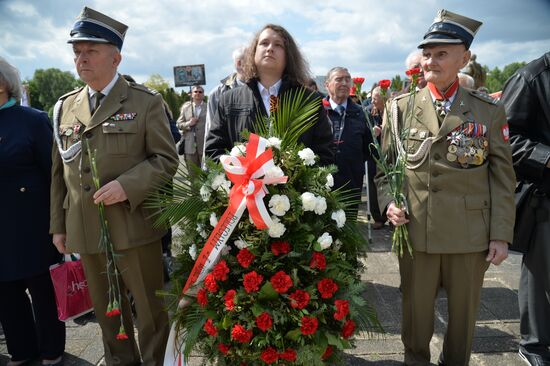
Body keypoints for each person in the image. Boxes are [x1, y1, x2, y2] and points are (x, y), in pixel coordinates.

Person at [377, 10, 516, 366]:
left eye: (441, 53)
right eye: (427, 53)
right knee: (415, 317)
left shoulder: (487, 111)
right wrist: (389, 202)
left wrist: (501, 235)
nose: (430, 60)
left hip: (469, 235)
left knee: (463, 321)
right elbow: (384, 169)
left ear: (464, 58)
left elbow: (503, 178)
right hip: (416, 231)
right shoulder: (400, 108)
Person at [50, 7, 178, 365]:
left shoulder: (145, 102)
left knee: (151, 314)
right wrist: (58, 227)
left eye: (90, 50)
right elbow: (58, 173)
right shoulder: (65, 108)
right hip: (87, 232)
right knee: (109, 315)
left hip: (134, 226)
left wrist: (127, 184)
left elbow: (166, 160)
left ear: (116, 57)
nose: (81, 58)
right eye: (76, 52)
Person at [0, 57, 66, 366]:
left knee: (42, 291)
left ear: (2, 84)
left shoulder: (33, 120)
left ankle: (51, 349)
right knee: (6, 293)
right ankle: (21, 351)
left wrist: (59, 224)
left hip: (33, 226)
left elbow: (55, 176)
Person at [205, 24, 333, 165]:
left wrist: (298, 178)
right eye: (264, 43)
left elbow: (325, 152)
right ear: (253, 52)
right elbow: (214, 150)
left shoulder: (309, 101)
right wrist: (238, 172)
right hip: (243, 186)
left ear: (288, 55)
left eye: (278, 45)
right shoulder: (229, 100)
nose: (270, 48)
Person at [501, 52, 550, 366]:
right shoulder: (530, 77)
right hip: (544, 193)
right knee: (540, 271)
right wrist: (547, 157)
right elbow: (503, 137)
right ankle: (535, 345)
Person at [323, 67, 379, 223]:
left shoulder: (361, 113)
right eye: (339, 79)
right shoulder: (318, 112)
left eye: (347, 79)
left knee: (347, 230)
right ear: (327, 85)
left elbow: (369, 149)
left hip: (351, 182)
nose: (344, 83)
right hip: (321, 183)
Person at [177, 85, 206, 171]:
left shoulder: (209, 107)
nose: (198, 93)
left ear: (203, 94)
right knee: (193, 176)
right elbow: (178, 124)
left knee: (208, 176)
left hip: (204, 145)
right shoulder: (186, 108)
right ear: (191, 94)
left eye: (200, 92)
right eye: (195, 92)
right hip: (190, 147)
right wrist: (189, 124)